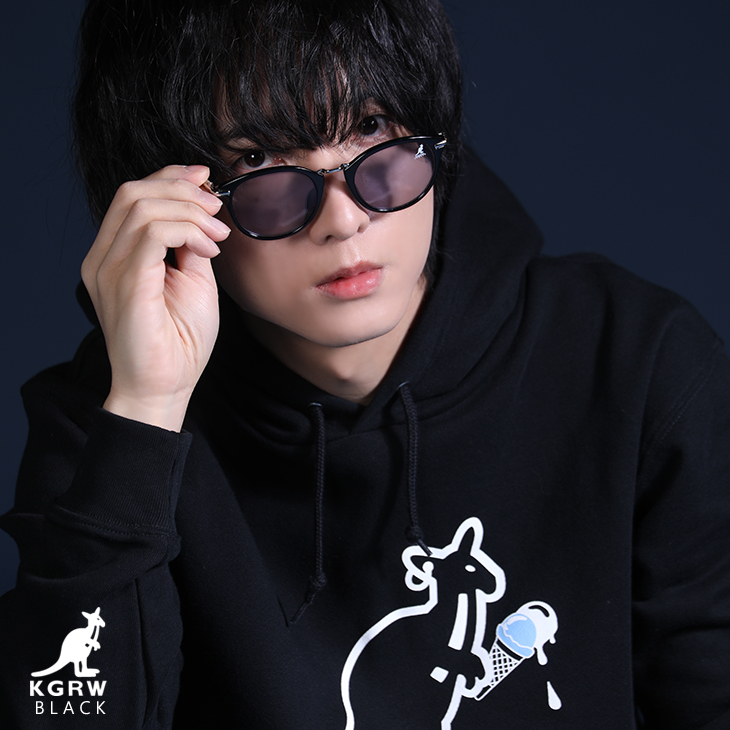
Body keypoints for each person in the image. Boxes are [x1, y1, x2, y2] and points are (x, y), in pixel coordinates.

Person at [1, 0, 729, 727]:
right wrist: (144, 413)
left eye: (374, 128)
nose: (344, 218)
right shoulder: (109, 424)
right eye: (260, 161)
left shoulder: (636, 360)